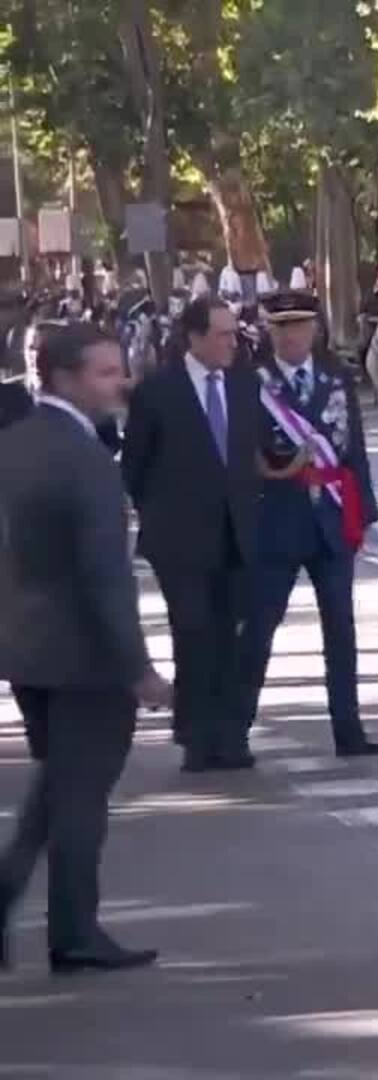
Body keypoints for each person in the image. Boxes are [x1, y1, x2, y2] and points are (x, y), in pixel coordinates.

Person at [0, 324, 172, 973]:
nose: (120, 383)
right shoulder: (86, 459)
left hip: (25, 649)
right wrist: (139, 669)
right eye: (106, 372)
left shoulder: (13, 444)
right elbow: (106, 577)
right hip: (84, 656)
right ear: (66, 377)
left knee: (59, 783)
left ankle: (9, 889)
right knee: (81, 798)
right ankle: (73, 930)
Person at [237, 292, 378, 757]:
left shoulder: (337, 377)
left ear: (314, 329)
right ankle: (235, 728)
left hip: (332, 516)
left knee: (341, 628)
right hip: (276, 517)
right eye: (281, 327)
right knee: (260, 625)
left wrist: (370, 514)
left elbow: (354, 450)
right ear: (269, 332)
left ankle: (349, 729)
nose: (291, 335)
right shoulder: (250, 383)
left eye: (299, 325)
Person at [122, 296, 265, 772]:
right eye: (222, 334)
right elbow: (136, 469)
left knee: (232, 636)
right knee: (194, 632)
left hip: (236, 533)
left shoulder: (245, 384)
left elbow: (253, 456)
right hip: (179, 540)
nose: (232, 342)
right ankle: (196, 736)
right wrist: (162, 516)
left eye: (233, 333)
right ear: (195, 337)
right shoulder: (158, 391)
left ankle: (231, 734)